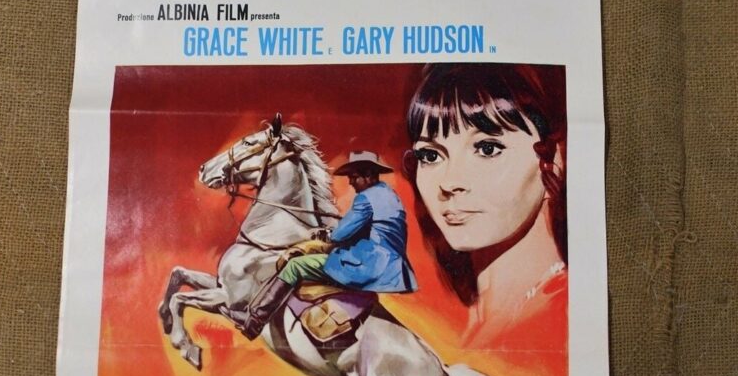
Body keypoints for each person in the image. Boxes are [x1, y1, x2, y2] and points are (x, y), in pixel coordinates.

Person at [405, 63, 567, 350]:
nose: (450, 182)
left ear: (554, 160)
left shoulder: (565, 316)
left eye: (487, 149)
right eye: (430, 155)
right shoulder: (448, 323)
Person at [239, 150, 417, 340]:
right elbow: (376, 231)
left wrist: (329, 233)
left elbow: (341, 233)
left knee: (295, 265)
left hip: (366, 266)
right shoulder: (390, 195)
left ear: (368, 175)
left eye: (354, 177)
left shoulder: (365, 198)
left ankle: (254, 321)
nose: (351, 182)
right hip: (391, 269)